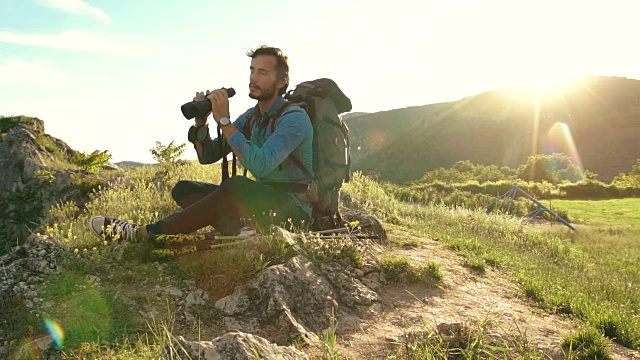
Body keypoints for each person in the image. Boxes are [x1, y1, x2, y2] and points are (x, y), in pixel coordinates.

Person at [89, 46, 314, 241]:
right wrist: (202, 122)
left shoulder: (294, 118)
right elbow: (208, 157)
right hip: (262, 203)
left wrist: (224, 120)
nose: (253, 78)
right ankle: (241, 232)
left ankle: (144, 233)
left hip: (293, 208)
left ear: (281, 81)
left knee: (236, 186)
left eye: (263, 72)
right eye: (252, 70)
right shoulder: (252, 116)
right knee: (185, 189)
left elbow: (261, 165)